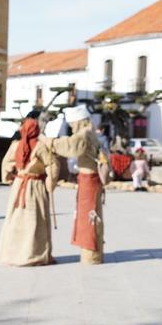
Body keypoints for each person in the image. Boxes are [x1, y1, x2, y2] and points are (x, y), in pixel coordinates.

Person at [0, 116, 62, 266]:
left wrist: (8, 178)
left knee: (16, 220)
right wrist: (50, 182)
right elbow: (52, 165)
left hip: (19, 185)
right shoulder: (40, 147)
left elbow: (6, 162)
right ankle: (34, 254)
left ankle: (13, 254)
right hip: (36, 185)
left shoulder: (16, 145)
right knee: (35, 220)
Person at [51, 105, 106, 264]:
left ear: (78, 122)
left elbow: (70, 146)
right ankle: (93, 254)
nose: (71, 127)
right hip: (91, 178)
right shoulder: (91, 132)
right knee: (92, 215)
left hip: (89, 179)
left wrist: (50, 142)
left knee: (88, 217)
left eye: (72, 124)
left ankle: (90, 255)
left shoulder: (84, 133)